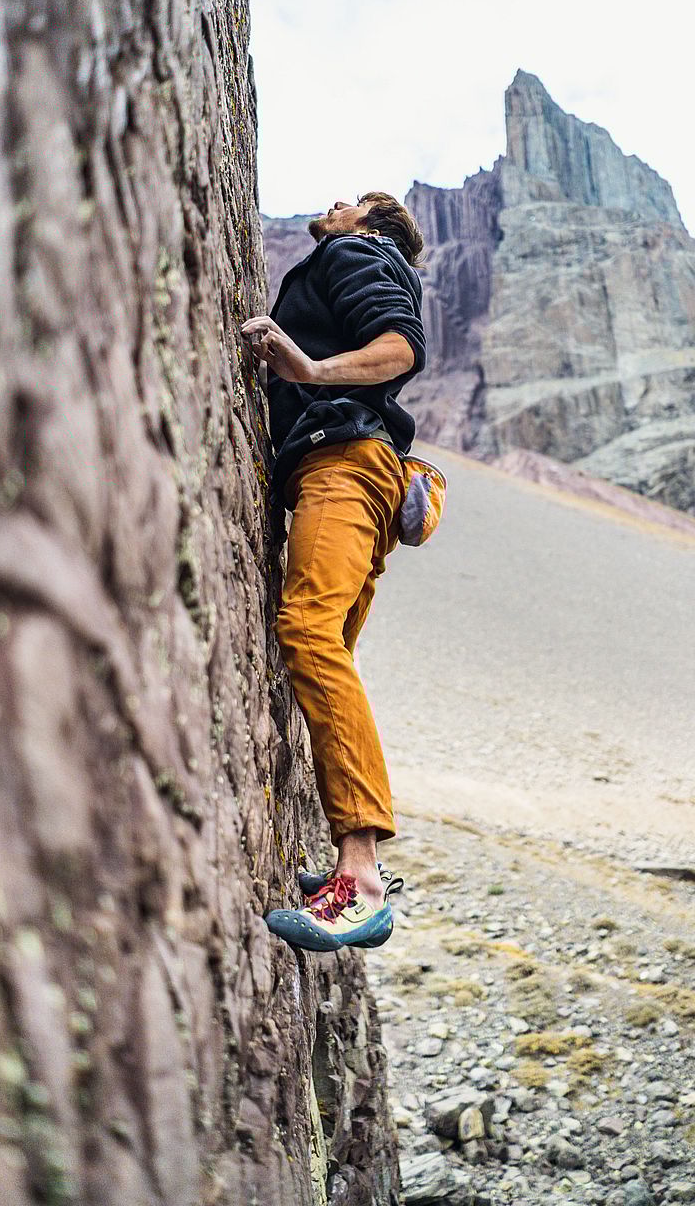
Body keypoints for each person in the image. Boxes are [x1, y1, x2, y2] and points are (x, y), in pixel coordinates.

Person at [240, 192, 426, 951]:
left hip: (343, 465)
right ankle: (356, 867)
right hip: (362, 474)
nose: (336, 203)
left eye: (355, 201)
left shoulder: (355, 251)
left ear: (375, 226)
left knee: (308, 633)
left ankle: (362, 880)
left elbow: (401, 347)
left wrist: (311, 369)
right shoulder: (361, 252)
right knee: (325, 656)